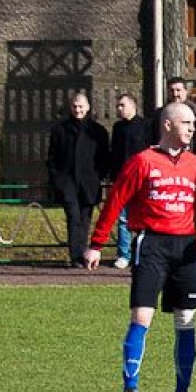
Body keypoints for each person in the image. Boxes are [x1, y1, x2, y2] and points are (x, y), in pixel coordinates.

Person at [84, 102, 196, 392]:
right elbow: (115, 201)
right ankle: (130, 390)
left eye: (193, 123)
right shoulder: (142, 161)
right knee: (142, 316)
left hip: (185, 249)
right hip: (152, 245)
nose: (191, 128)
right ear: (168, 125)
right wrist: (96, 243)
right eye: (186, 122)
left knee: (186, 320)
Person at [46, 92, 111, 268]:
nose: (77, 110)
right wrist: (57, 178)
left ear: (88, 108)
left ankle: (82, 253)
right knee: (73, 216)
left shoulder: (98, 131)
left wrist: (101, 174)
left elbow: (104, 156)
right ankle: (77, 256)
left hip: (89, 181)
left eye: (81, 106)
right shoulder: (60, 129)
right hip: (67, 180)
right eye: (75, 106)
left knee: (85, 218)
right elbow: (52, 157)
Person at [109, 93, 153, 270]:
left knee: (143, 218)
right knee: (123, 218)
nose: (119, 109)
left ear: (134, 105)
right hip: (122, 178)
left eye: (122, 105)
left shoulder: (145, 126)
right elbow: (114, 154)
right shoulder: (117, 128)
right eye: (118, 106)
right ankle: (123, 254)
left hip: (142, 179)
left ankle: (141, 253)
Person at [154, 78, 196, 160]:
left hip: (186, 162)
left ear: (186, 91)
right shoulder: (160, 113)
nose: (175, 94)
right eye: (172, 90)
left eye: (178, 90)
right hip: (163, 161)